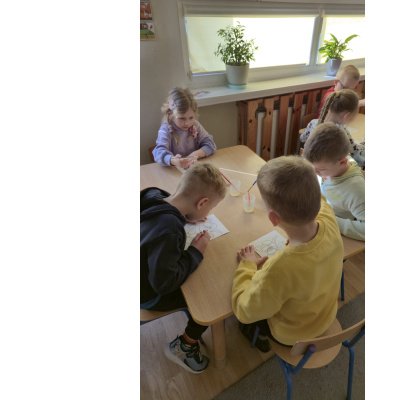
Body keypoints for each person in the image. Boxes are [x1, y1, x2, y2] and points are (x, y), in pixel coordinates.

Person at [231, 156, 344, 352]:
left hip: (293, 335)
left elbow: (243, 309)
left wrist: (247, 265)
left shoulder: (280, 268)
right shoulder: (328, 217)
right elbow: (321, 200)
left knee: (246, 316)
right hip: (326, 315)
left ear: (273, 218)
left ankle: (257, 336)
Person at [140, 162, 228, 373]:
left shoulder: (154, 195)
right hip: (146, 292)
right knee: (210, 299)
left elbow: (157, 227)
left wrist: (185, 218)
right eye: (211, 207)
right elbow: (164, 283)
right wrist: (196, 251)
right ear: (202, 202)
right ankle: (184, 347)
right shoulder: (169, 229)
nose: (209, 212)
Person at [304, 123, 365, 241]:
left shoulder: (356, 190)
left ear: (342, 162)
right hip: (320, 212)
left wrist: (331, 221)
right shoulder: (329, 164)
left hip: (335, 231)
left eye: (321, 169)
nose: (314, 172)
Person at [153, 87, 217, 170]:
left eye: (191, 118)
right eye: (182, 118)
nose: (187, 123)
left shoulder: (195, 125)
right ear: (170, 115)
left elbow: (211, 145)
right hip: (174, 171)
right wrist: (174, 160)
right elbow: (159, 152)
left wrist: (194, 155)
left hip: (193, 169)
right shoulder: (166, 129)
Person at [301, 89, 365, 169]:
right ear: (347, 115)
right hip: (326, 169)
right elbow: (354, 150)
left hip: (309, 164)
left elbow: (302, 138)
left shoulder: (313, 123)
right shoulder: (341, 132)